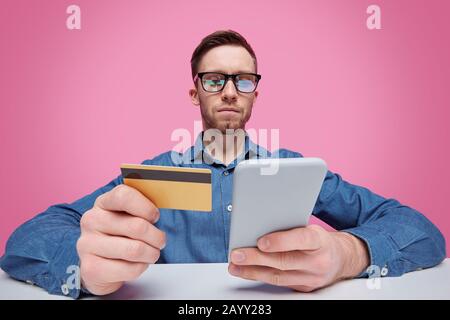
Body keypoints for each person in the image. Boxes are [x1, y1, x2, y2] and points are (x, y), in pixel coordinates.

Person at [0, 30, 446, 298]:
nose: (230, 91)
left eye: (243, 79)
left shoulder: (299, 172)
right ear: (196, 92)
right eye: (215, 79)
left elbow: (424, 234)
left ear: (255, 92)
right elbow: (22, 243)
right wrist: (80, 264)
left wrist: (349, 253)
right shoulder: (149, 178)